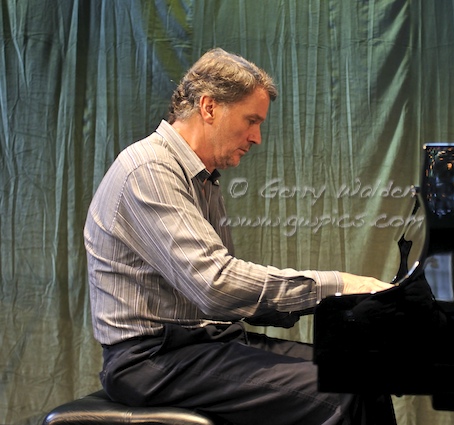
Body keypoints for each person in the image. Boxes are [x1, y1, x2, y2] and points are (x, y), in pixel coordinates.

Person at [84, 47, 397, 425]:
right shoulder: (150, 170)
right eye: (251, 121)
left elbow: (219, 298)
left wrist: (334, 302)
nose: (257, 137)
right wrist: (338, 285)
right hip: (151, 360)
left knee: (363, 374)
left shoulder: (202, 178)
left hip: (205, 343)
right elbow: (215, 286)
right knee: (339, 391)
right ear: (209, 107)